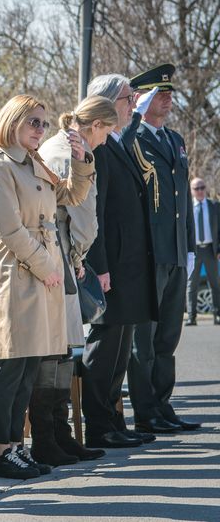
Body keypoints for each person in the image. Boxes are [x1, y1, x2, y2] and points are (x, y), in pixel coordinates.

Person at [0, 94, 93, 480]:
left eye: (43, 123)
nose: (40, 129)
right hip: (18, 271)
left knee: (29, 367)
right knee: (11, 366)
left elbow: (72, 195)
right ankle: (0, 452)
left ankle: (15, 446)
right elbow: (9, 228)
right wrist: (46, 267)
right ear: (12, 122)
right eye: (33, 122)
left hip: (44, 270)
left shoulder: (34, 163)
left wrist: (81, 160)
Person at [32, 96, 118, 465]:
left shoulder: (58, 146)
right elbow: (83, 217)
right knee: (55, 351)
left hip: (58, 254)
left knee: (60, 350)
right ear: (95, 125)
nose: (106, 139)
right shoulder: (70, 151)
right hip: (60, 254)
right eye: (107, 131)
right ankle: (48, 437)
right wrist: (79, 255)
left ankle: (58, 434)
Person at [83, 75, 160, 449]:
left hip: (127, 265)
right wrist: (99, 266)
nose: (133, 105)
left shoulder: (115, 142)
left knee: (120, 348)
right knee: (106, 346)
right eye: (129, 99)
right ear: (108, 102)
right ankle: (99, 425)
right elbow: (94, 213)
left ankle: (114, 420)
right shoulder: (99, 148)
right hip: (110, 265)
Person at [130, 64, 202, 432]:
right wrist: (132, 119)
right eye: (159, 93)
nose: (167, 99)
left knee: (168, 336)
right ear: (141, 100)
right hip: (149, 253)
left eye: (169, 93)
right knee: (144, 339)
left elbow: (183, 200)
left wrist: (189, 245)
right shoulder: (133, 139)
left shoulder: (175, 140)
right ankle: (146, 413)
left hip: (174, 250)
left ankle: (162, 404)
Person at [186, 178, 220, 325]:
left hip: (211, 251)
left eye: (202, 187)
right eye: (196, 188)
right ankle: (191, 317)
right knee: (191, 285)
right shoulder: (187, 208)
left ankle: (217, 315)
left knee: (215, 284)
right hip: (194, 251)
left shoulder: (215, 206)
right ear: (191, 190)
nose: (200, 191)